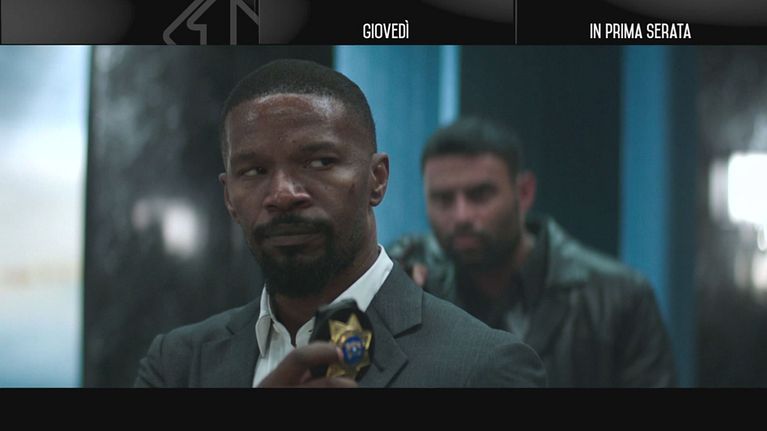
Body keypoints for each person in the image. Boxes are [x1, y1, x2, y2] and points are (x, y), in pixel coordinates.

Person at [134, 60, 546, 388]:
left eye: (319, 162)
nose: (283, 193)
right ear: (229, 197)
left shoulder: (484, 368)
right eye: (254, 170)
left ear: (376, 180)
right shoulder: (177, 365)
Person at [389, 117, 677, 387]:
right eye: (443, 199)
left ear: (524, 192)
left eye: (480, 195)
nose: (461, 215)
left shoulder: (618, 298)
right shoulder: (414, 285)